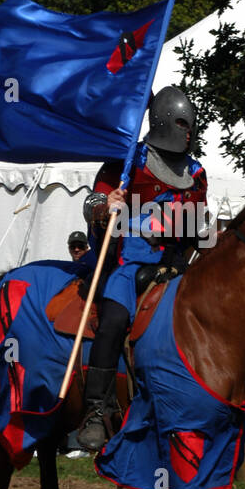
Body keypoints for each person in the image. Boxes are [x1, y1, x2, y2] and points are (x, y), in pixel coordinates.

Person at [76, 86, 207, 452]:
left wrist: (195, 231)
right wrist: (107, 204)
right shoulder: (127, 159)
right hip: (127, 262)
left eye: (191, 125)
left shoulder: (196, 173)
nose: (187, 131)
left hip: (173, 269)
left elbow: (196, 225)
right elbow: (92, 204)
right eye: (182, 122)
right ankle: (95, 411)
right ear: (163, 119)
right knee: (115, 319)